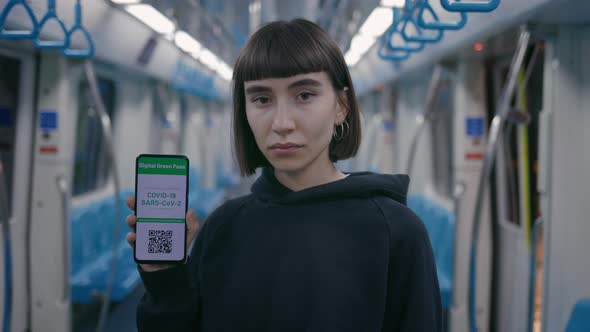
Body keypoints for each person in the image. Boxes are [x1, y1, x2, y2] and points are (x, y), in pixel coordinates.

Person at [125, 18, 442, 332]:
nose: (281, 123)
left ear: (341, 107)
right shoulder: (222, 228)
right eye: (262, 99)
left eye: (304, 95)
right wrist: (166, 281)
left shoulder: (396, 232)